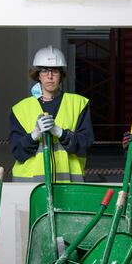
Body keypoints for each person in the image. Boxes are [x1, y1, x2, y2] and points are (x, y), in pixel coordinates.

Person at [9, 45, 94, 182]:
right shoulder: (20, 109)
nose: (49, 76)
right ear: (38, 75)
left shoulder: (78, 104)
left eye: (54, 71)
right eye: (44, 71)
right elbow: (17, 152)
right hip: (29, 187)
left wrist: (61, 133)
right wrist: (33, 135)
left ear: (61, 75)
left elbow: (85, 145)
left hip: (68, 183)